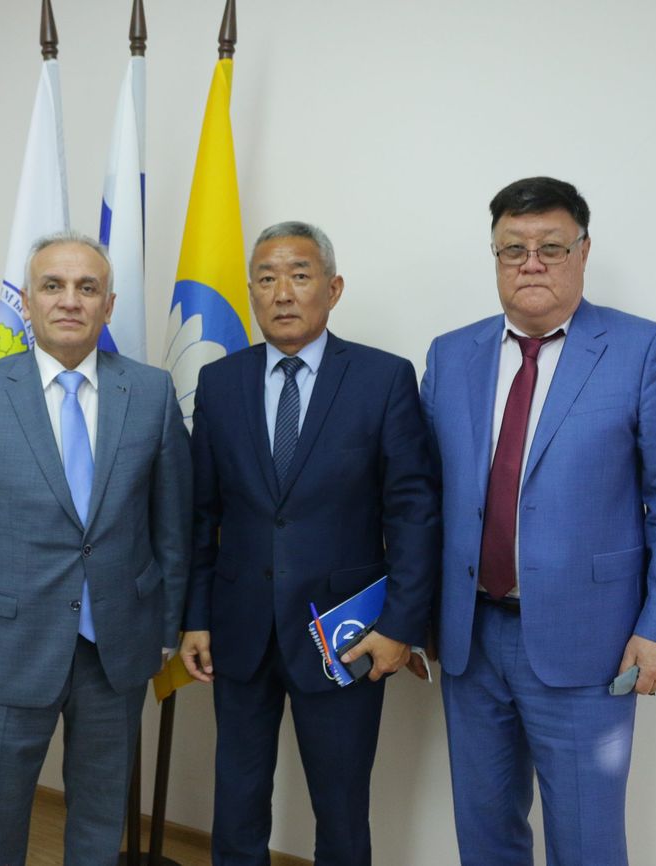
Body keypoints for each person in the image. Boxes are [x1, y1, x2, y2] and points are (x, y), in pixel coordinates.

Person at [420, 176, 656, 866]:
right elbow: (423, 498)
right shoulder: (451, 354)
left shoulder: (641, 350)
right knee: (484, 835)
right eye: (512, 249)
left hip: (589, 644)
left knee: (586, 844)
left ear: (583, 252)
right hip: (468, 638)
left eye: (550, 247)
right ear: (495, 257)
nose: (531, 264)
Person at [0, 231, 191, 865]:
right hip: (5, 657)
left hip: (117, 651)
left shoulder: (151, 393)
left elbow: (172, 527)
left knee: (100, 824)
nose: (70, 300)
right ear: (28, 301)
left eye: (87, 287)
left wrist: (165, 631)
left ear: (109, 305)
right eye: (53, 286)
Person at [179, 221, 440, 865]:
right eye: (266, 278)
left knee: (342, 808)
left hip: (345, 635)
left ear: (333, 288)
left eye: (299, 275)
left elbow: (413, 514)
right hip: (240, 630)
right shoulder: (221, 383)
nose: (282, 293)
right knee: (236, 803)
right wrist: (195, 617)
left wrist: (399, 626)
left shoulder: (382, 378)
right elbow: (200, 514)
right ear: (251, 292)